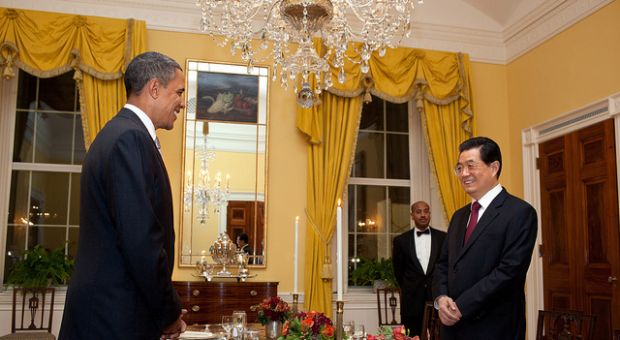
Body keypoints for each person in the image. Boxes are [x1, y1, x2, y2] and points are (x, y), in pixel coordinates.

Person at [59, 51, 187, 340]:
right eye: (178, 91)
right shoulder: (130, 139)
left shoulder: (119, 134)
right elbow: (140, 241)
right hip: (113, 318)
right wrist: (168, 314)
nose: (182, 101)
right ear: (154, 88)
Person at [432, 136, 538, 340]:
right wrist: (441, 297)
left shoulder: (519, 212)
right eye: (459, 167)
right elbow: (442, 264)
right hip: (452, 329)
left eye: (471, 166)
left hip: (493, 328)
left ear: (494, 167)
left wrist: (461, 307)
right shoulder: (459, 216)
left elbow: (509, 272)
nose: (464, 174)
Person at [392, 201, 446, 336]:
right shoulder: (401, 241)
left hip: (436, 299)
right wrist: (410, 287)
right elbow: (398, 271)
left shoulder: (443, 238)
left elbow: (446, 267)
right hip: (411, 301)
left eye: (426, 211)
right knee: (411, 336)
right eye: (418, 211)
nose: (423, 215)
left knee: (438, 336)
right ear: (412, 215)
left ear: (430, 214)